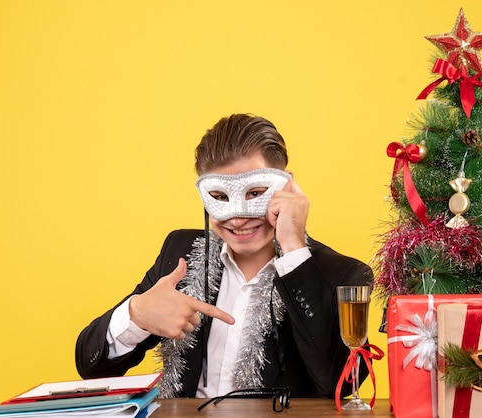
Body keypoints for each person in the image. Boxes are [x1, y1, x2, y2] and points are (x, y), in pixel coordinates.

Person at [75, 113, 373, 399]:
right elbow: (92, 366)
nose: (238, 218)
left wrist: (294, 248)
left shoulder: (342, 275)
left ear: (287, 187)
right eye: (219, 198)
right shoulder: (179, 253)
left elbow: (342, 384)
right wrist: (136, 314)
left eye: (255, 193)